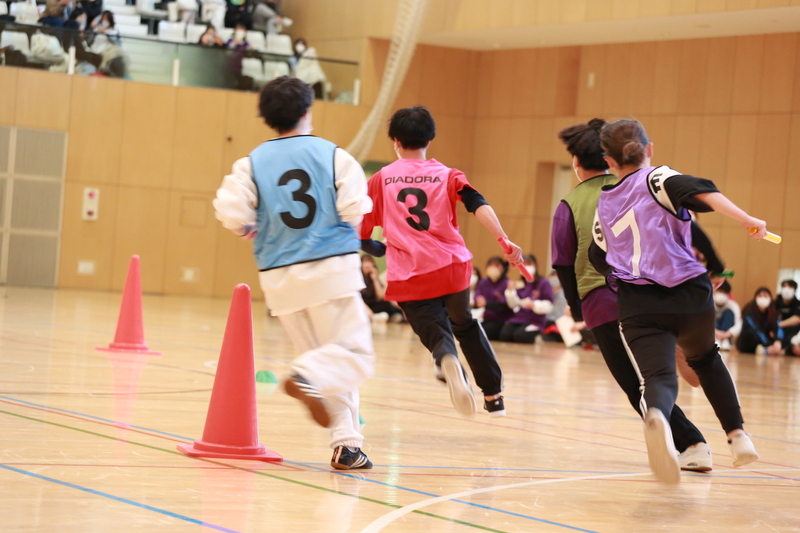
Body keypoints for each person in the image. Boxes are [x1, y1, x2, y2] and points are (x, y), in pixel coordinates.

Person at [212, 76, 376, 471]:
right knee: (354, 356)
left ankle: (347, 444)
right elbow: (356, 209)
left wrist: (246, 227)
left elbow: (232, 213)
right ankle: (303, 376)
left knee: (328, 362)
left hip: (280, 279)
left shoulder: (249, 163)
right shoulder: (333, 155)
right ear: (309, 110)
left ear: (267, 118)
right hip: (330, 268)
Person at [589, 118, 764, 483]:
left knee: (659, 376)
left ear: (608, 161)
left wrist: (620, 275)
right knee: (706, 360)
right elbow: (700, 190)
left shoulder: (604, 204)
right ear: (648, 149)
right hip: (688, 293)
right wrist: (745, 218)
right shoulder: (657, 177)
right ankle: (737, 436)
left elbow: (597, 256)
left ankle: (656, 414)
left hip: (638, 303)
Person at [552, 118, 713, 473]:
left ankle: (691, 444)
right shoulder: (638, 184)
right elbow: (686, 225)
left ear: (578, 164)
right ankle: (685, 364)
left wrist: (576, 309)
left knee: (638, 384)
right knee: (654, 377)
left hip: (609, 301)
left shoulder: (571, 203)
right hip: (663, 292)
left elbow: (563, 262)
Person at [360, 106, 523, 418]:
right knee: (465, 323)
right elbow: (478, 203)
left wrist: (383, 247)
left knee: (436, 331)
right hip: (453, 267)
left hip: (410, 273)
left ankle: (445, 359)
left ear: (395, 141)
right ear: (429, 140)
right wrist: (504, 240)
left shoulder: (380, 180)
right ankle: (493, 395)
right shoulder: (448, 175)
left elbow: (362, 236)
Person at [499, 254, 554, 344]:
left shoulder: (543, 283)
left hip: (535, 319)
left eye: (529, 264)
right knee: (505, 335)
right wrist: (510, 291)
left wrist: (534, 304)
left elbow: (549, 305)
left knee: (520, 336)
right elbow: (513, 305)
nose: (526, 266)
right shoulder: (519, 283)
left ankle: (538, 336)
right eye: (524, 264)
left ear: (535, 266)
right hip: (519, 318)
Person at [472, 257, 513, 340]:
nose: (493, 268)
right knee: (473, 330)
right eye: (490, 265)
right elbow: (477, 298)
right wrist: (478, 301)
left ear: (502, 268)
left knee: (485, 332)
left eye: (496, 265)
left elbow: (504, 306)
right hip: (487, 318)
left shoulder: (507, 283)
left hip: (501, 320)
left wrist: (487, 304)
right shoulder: (483, 282)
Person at [737, 287, 783, 355]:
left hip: (764, 341)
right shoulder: (749, 311)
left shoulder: (773, 311)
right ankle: (763, 350)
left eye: (765, 296)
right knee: (750, 334)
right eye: (760, 296)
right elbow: (756, 330)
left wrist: (778, 341)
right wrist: (767, 345)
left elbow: (778, 327)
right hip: (749, 342)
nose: (763, 298)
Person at [360, 255, 403, 323]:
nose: (368, 265)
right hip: (362, 304)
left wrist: (374, 279)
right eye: (365, 262)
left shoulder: (374, 278)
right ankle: (374, 317)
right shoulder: (358, 278)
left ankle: (381, 316)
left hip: (373, 304)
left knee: (386, 304)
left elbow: (380, 296)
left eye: (370, 262)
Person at [713, 281, 741, 351]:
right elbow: (703, 322)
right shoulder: (708, 303)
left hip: (727, 334)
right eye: (719, 291)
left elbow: (738, 324)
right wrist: (716, 333)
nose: (721, 294)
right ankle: (716, 340)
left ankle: (725, 341)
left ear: (728, 294)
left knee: (729, 313)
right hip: (712, 334)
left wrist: (726, 334)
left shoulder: (733, 305)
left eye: (724, 292)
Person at [775, 280, 800, 353]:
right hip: (777, 329)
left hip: (792, 330)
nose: (786, 289)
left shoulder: (797, 304)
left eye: (790, 287)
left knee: (791, 338)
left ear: (795, 291)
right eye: (784, 286)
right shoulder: (776, 303)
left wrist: (779, 324)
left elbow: (797, 319)